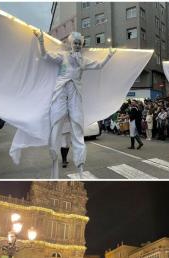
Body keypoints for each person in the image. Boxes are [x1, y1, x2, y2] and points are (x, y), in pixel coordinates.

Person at [33, 30, 116, 178]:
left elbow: (99, 66)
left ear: (81, 44)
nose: (77, 45)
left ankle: (80, 163)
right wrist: (40, 40)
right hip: (61, 91)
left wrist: (109, 56)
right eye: (75, 43)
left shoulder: (83, 60)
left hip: (75, 93)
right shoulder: (63, 56)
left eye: (79, 43)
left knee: (77, 124)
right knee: (56, 122)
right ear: (71, 44)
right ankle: (54, 155)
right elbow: (45, 55)